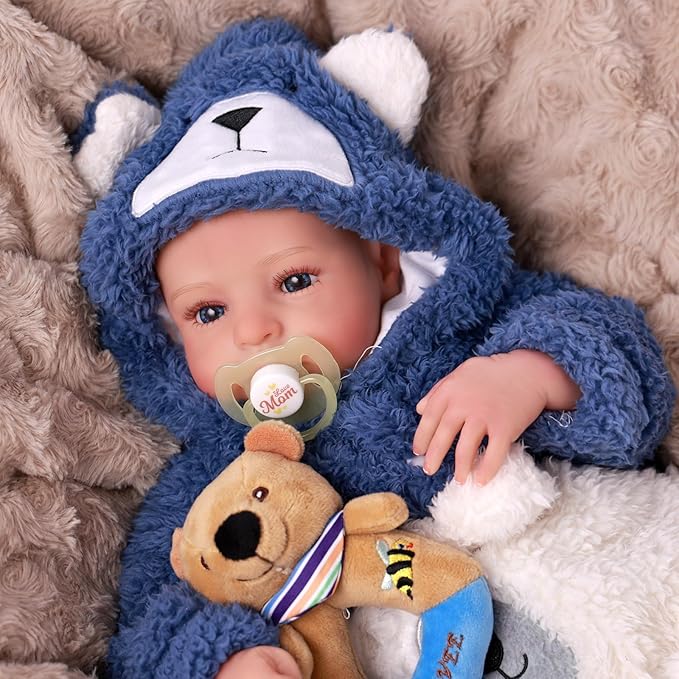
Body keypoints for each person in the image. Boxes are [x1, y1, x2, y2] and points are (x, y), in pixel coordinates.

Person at [76, 18, 674, 679]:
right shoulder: (221, 471)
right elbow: (159, 611)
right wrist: (225, 658)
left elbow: (624, 369)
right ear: (168, 330)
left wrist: (527, 374)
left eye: (294, 281)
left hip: (575, 587)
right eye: (209, 312)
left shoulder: (460, 331)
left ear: (385, 266)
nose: (254, 332)